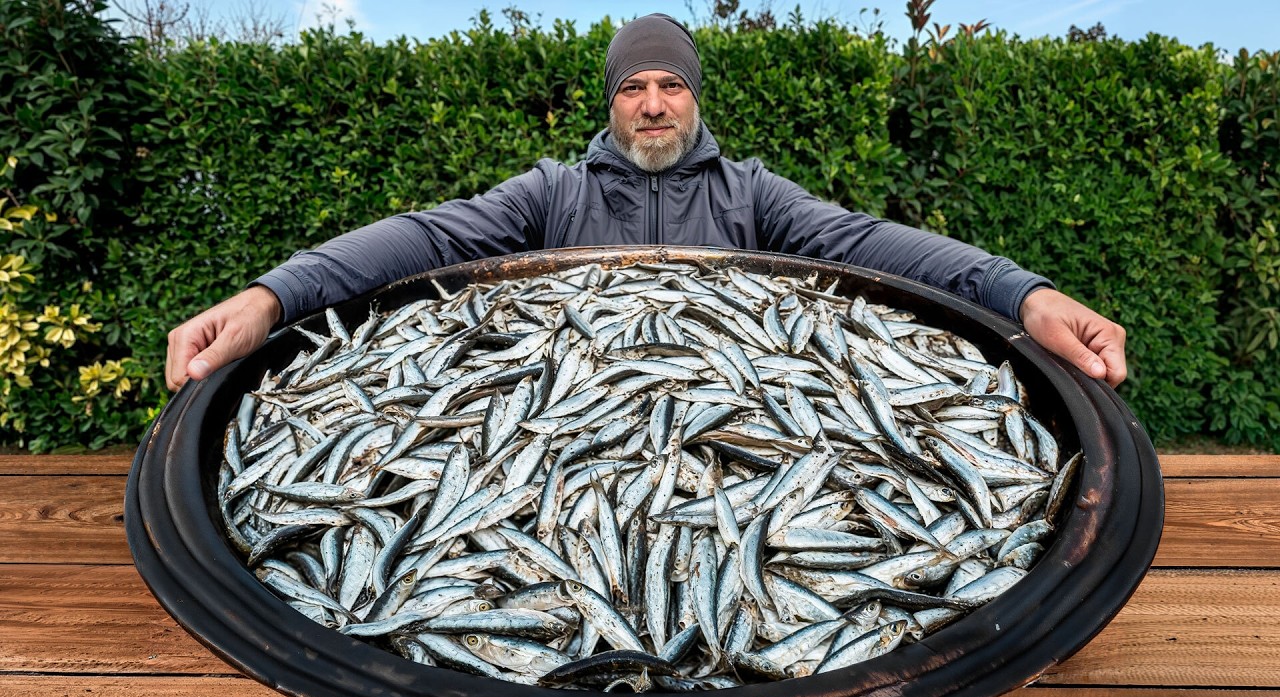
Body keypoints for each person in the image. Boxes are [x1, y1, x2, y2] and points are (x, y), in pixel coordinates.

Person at [166, 13, 1126, 392]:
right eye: (634, 87)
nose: (654, 102)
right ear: (613, 102)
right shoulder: (551, 193)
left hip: (738, 408)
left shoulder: (754, 196)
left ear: (696, 97)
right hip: (559, 404)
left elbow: (872, 245)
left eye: (671, 84)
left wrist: (1022, 295)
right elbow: (423, 237)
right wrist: (271, 298)